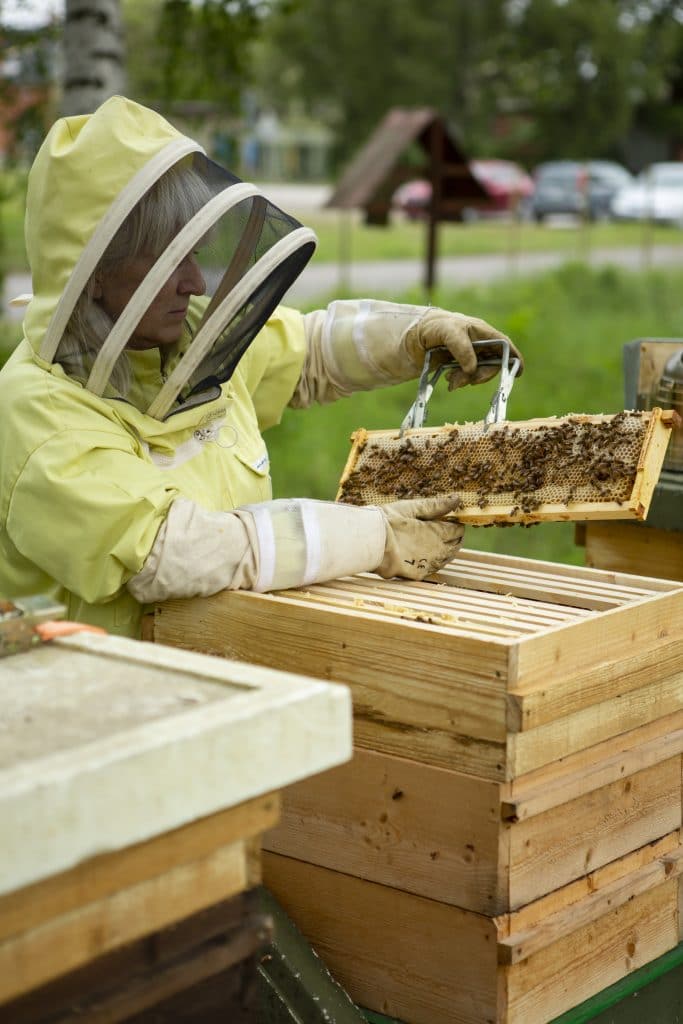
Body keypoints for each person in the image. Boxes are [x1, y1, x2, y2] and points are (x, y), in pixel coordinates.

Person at [0, 96, 522, 638]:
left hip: (229, 672)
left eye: (195, 253)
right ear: (96, 273)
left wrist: (416, 333)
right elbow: (172, 554)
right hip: (95, 704)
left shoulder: (185, 337)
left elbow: (310, 350)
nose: (196, 283)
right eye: (167, 260)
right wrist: (372, 537)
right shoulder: (37, 414)